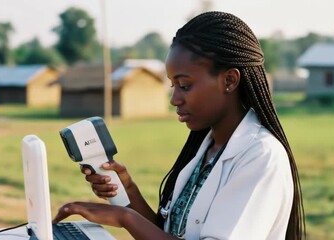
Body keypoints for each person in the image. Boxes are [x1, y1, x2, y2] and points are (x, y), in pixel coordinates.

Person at [53, 11, 305, 240]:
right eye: (173, 86)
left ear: (229, 80)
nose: (174, 99)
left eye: (184, 85)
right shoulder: (206, 151)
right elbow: (168, 234)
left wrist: (125, 218)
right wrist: (127, 191)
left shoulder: (261, 156)